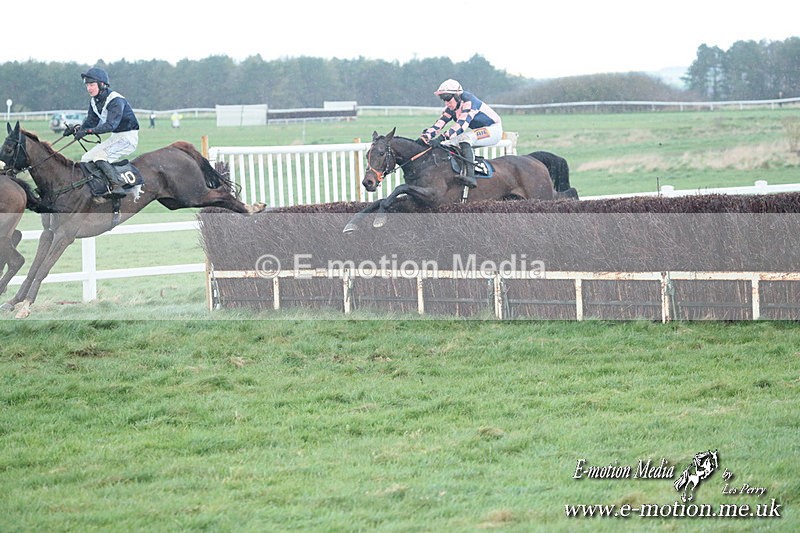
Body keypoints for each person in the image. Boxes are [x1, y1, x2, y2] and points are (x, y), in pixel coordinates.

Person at [64, 67, 140, 200]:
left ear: (102, 84)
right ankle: (98, 188)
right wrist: (77, 128)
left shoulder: (116, 100)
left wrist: (88, 131)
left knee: (99, 157)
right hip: (116, 137)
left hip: (128, 137)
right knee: (86, 159)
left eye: (92, 85)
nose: (89, 88)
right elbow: (91, 122)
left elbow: (111, 125)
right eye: (87, 85)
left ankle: (117, 187)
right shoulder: (94, 101)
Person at [420, 79, 503, 188]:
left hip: (493, 129)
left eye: (447, 98)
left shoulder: (469, 102)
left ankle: (471, 176)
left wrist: (440, 138)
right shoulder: (451, 107)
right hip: (478, 131)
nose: (446, 102)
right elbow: (439, 124)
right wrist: (426, 136)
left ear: (457, 96)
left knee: (464, 138)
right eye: (443, 99)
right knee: (448, 143)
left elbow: (461, 125)